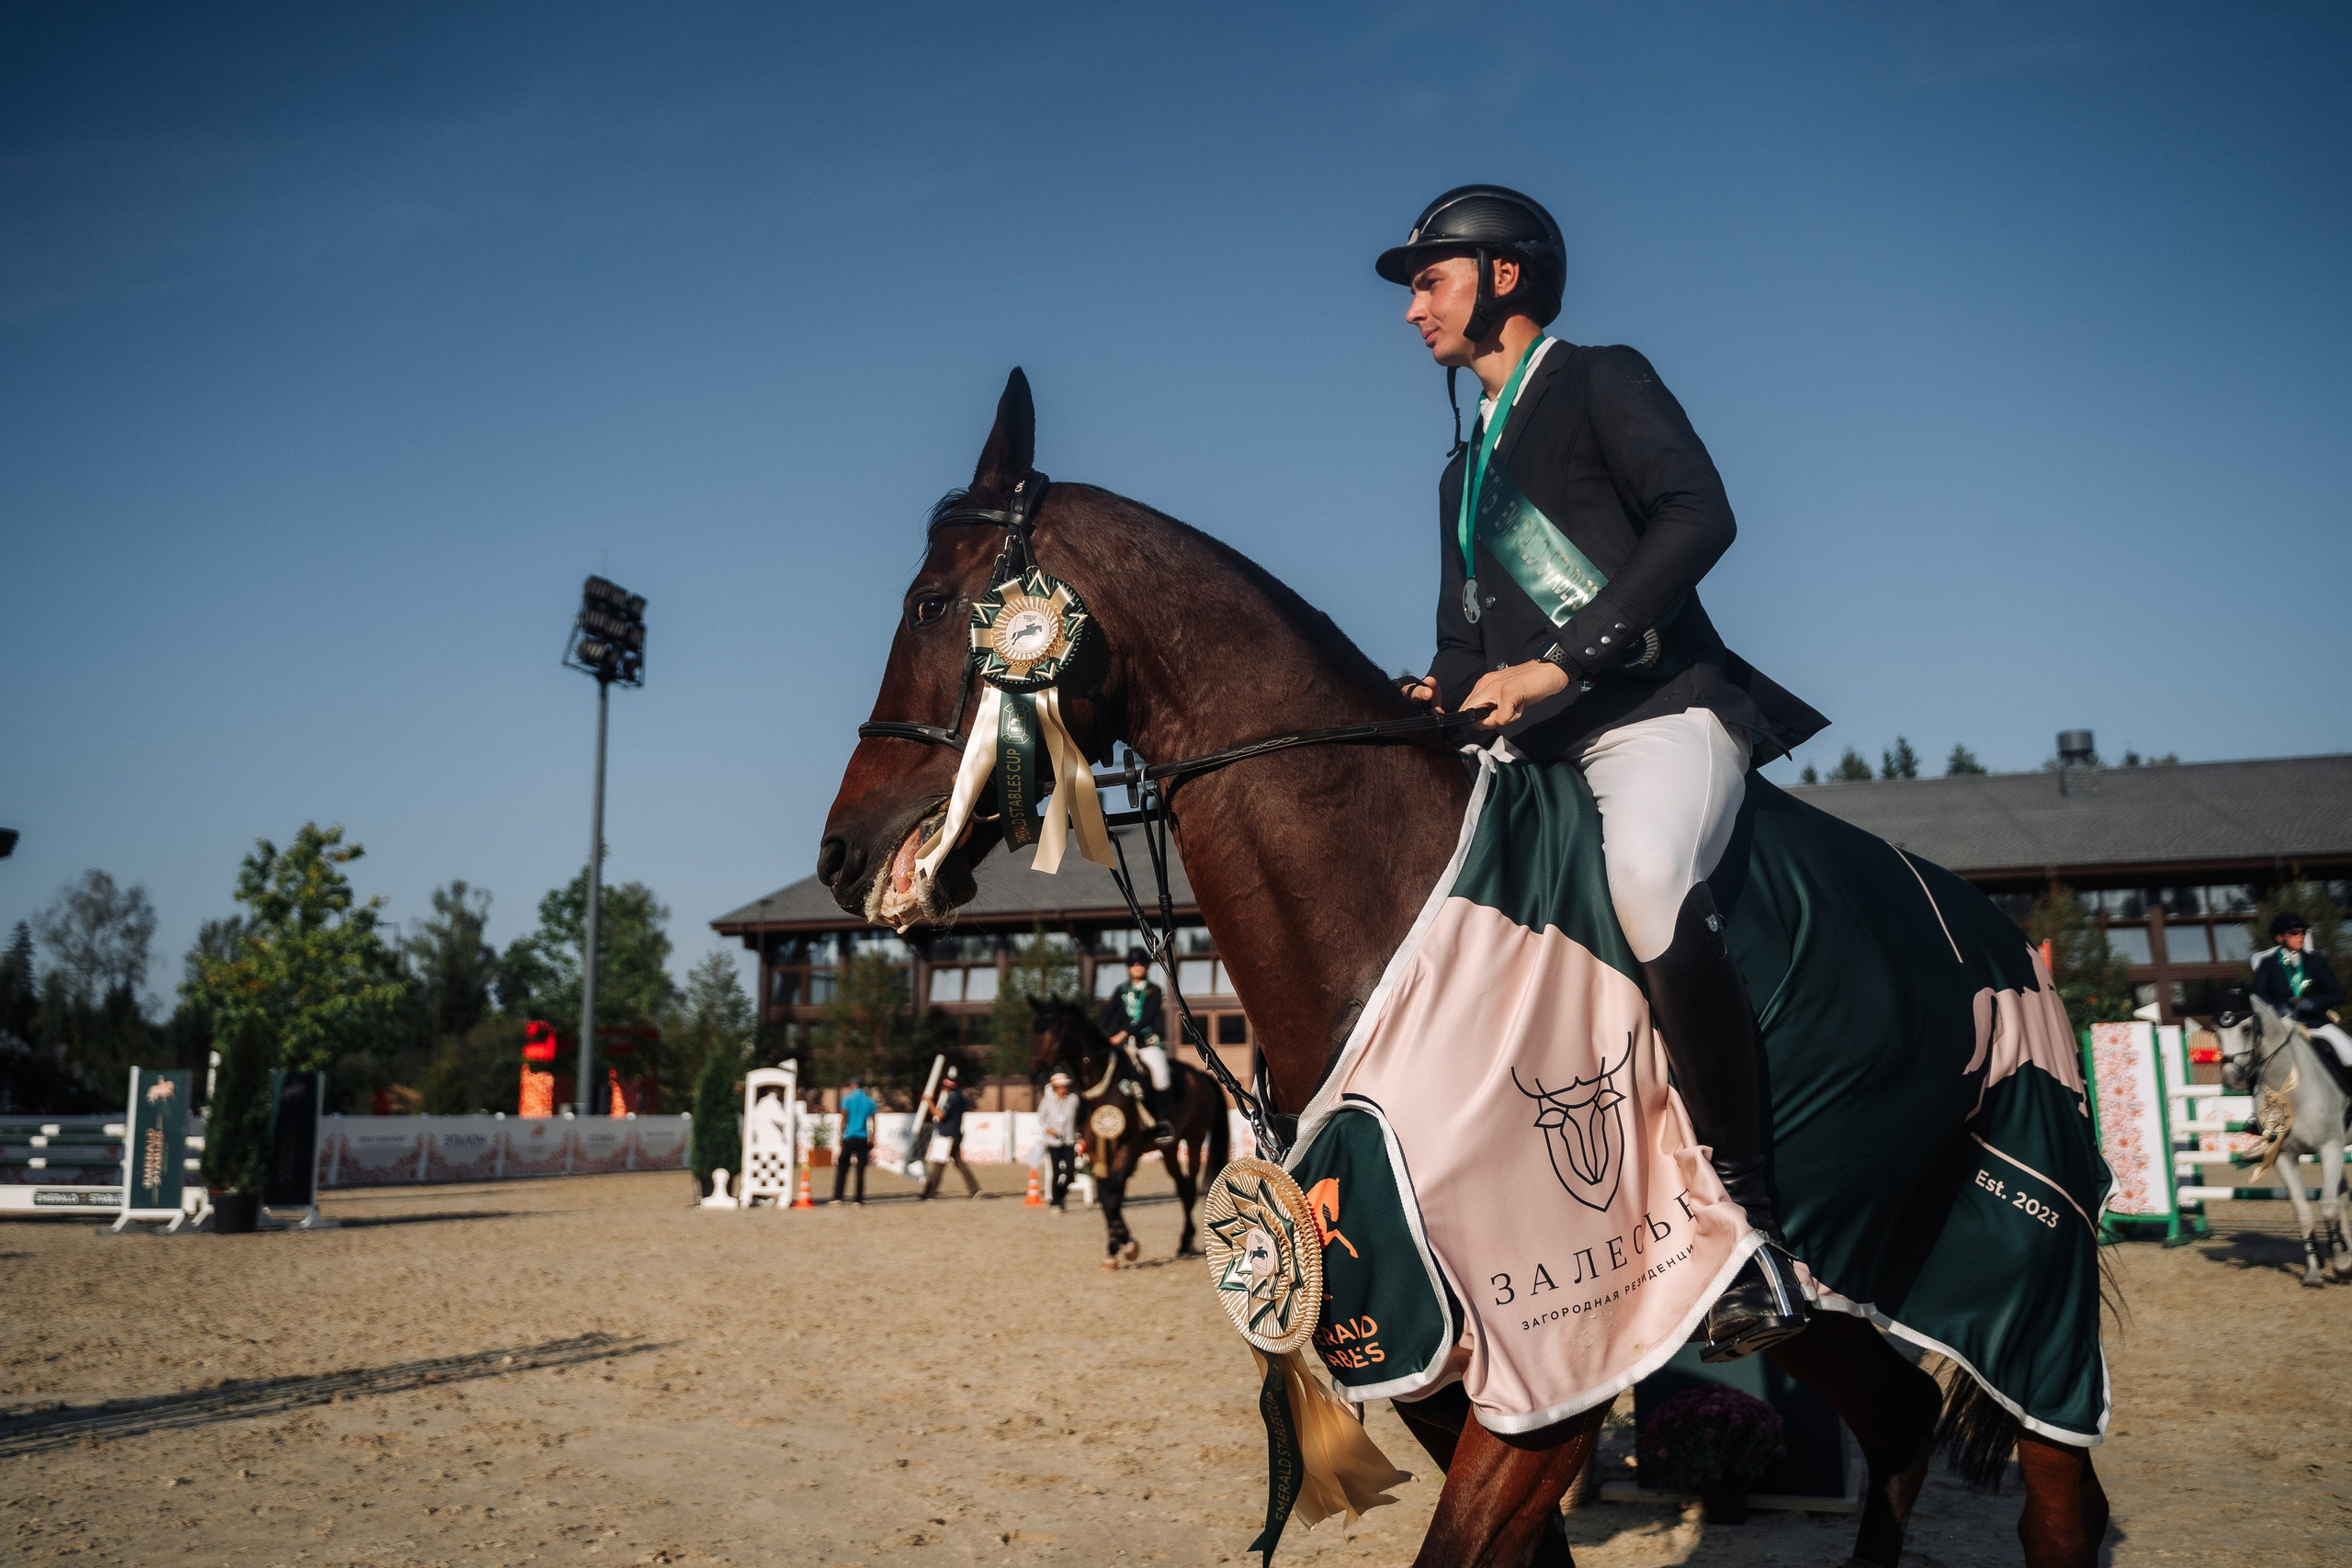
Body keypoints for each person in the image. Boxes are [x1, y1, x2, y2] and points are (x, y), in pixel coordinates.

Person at [1377, 186, 1829, 1361]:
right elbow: (1461, 642)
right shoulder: (1459, 470)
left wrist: (1564, 660)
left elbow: (1699, 515)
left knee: (1639, 876)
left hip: (1656, 715)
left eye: (1430, 278)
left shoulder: (1598, 377)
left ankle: (1753, 1227)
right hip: (1535, 746)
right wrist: (1435, 690)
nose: (1412, 306)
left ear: (1504, 277)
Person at [2253, 912, 2352, 1070]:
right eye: (2294, 933)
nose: (2301, 936)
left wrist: (2313, 1003)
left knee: (2349, 1052)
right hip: (2282, 1024)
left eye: (2303, 932)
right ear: (2279, 938)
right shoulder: (2267, 965)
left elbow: (2336, 994)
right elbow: (2259, 996)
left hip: (2315, 1024)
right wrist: (2278, 1007)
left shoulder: (2317, 961)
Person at [1099, 947, 1177, 1145]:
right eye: (1133, 964)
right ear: (1128, 968)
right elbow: (1107, 1015)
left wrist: (1123, 1033)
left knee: (1161, 1074)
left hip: (1147, 1044)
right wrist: (1099, 1033)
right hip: (1124, 1046)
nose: (1136, 967)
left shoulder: (1155, 990)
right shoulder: (1121, 990)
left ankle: (1162, 1121)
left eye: (1140, 963)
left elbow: (1148, 1017)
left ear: (1147, 967)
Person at [920, 1066, 982, 1199]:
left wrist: (929, 1101)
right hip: (955, 1134)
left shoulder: (952, 1099)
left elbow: (940, 1115)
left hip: (947, 1135)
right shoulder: (960, 1098)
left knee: (938, 1164)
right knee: (959, 1163)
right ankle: (975, 1190)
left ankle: (929, 1193)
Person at [1037, 1070, 1080, 1211]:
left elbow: (1079, 1118)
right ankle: (1056, 1202)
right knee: (1055, 1172)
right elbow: (1041, 1119)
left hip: (1069, 1140)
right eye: (1061, 1086)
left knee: (1070, 1171)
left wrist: (1080, 1137)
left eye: (1065, 1086)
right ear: (1055, 1088)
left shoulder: (1073, 1099)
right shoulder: (1047, 1101)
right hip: (1053, 1142)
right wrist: (1048, 1129)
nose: (1064, 1089)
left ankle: (1060, 1194)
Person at [832, 1075, 876, 1206]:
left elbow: (844, 1118)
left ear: (853, 1085)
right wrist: (873, 1136)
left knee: (843, 1167)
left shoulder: (847, 1099)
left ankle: (838, 1197)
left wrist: (840, 1135)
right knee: (861, 1169)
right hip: (863, 1137)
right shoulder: (870, 1101)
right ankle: (858, 1199)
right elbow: (874, 1120)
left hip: (850, 1136)